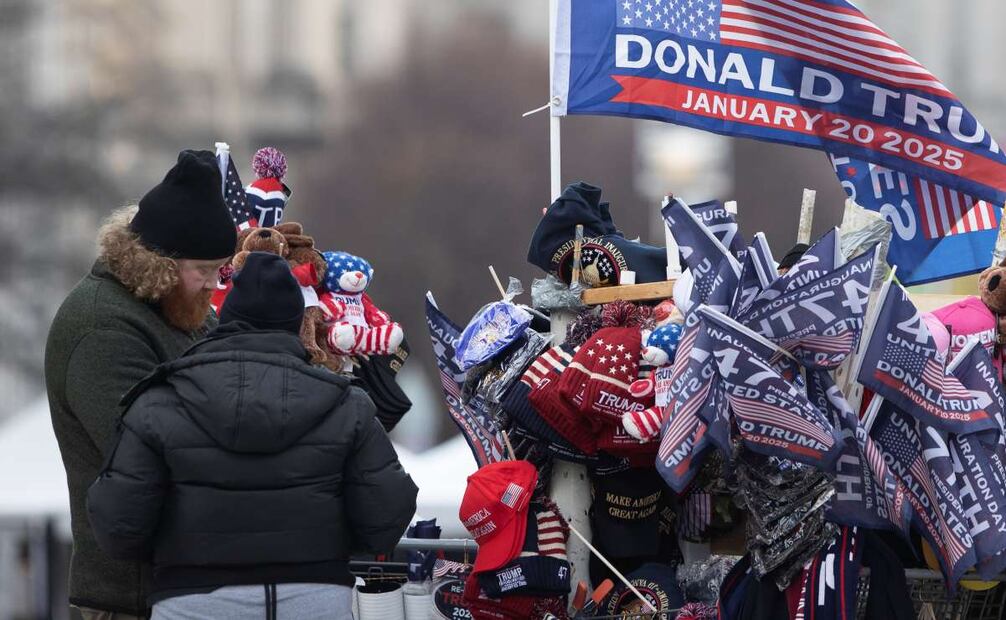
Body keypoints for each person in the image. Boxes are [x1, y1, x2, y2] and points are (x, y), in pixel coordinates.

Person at [86, 252, 418, 619]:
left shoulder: (160, 400)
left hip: (193, 599)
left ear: (225, 320)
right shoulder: (346, 403)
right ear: (297, 324)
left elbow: (118, 524)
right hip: (315, 596)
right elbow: (387, 514)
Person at [45, 149, 238, 619]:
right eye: (204, 271)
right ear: (162, 264)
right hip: (127, 597)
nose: (214, 285)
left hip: (184, 585)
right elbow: (148, 453)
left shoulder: (179, 310)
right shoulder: (102, 326)